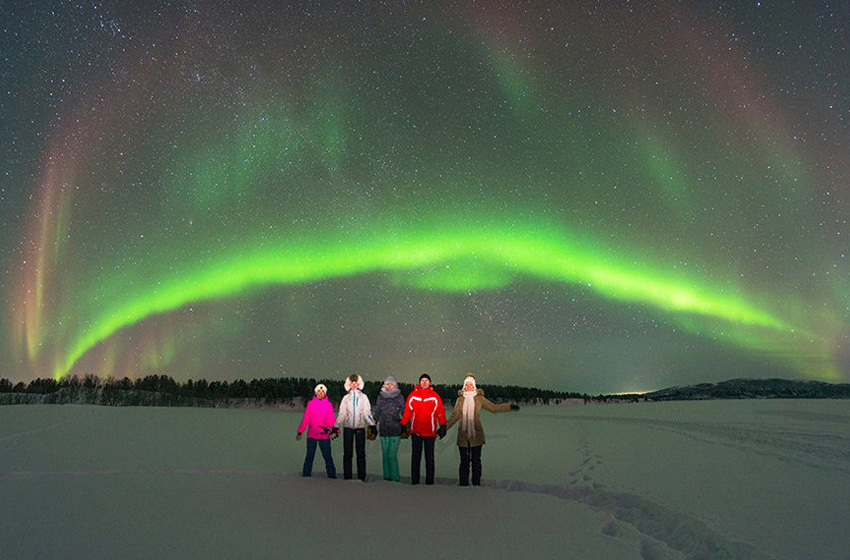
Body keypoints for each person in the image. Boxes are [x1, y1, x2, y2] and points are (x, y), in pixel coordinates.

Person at [446, 374, 519, 486]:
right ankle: (463, 485)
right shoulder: (460, 400)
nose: (469, 386)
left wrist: (509, 406)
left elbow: (493, 408)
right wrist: (444, 428)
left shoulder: (479, 398)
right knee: (464, 463)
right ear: (464, 386)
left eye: (471, 384)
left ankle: (476, 484)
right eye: (467, 384)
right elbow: (455, 416)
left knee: (476, 462)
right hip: (463, 436)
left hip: (476, 435)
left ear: (474, 386)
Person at [401, 373, 446, 485]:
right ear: (419, 382)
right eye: (422, 380)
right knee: (415, 458)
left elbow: (440, 412)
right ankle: (415, 482)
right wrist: (403, 424)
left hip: (430, 433)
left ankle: (429, 482)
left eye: (426, 380)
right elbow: (407, 411)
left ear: (429, 382)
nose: (424, 382)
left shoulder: (435, 396)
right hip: (416, 432)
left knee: (429, 459)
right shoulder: (413, 395)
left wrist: (443, 425)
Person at [334, 374, 375, 480]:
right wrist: (336, 425)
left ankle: (361, 477)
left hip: (360, 428)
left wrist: (372, 424)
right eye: (352, 383)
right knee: (347, 454)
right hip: (348, 428)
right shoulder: (346, 398)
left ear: (359, 384)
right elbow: (342, 413)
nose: (354, 385)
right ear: (349, 384)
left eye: (356, 383)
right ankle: (347, 476)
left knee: (361, 454)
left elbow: (367, 412)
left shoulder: (363, 397)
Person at [296, 383, 337, 478]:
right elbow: (306, 419)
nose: (320, 393)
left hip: (324, 436)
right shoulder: (310, 404)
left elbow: (331, 419)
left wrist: (336, 431)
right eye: (319, 391)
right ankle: (306, 476)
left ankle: (332, 477)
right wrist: (300, 431)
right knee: (309, 457)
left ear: (325, 393)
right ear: (316, 392)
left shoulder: (328, 404)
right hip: (312, 436)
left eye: (322, 392)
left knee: (328, 457)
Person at [372, 375, 406, 481]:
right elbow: (377, 412)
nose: (389, 386)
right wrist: (373, 424)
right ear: (384, 385)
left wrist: (404, 423)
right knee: (385, 455)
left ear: (395, 385)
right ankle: (386, 477)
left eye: (391, 384)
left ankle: (395, 478)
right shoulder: (381, 397)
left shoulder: (399, 397)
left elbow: (404, 411)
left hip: (395, 430)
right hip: (383, 430)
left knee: (392, 455)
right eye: (387, 384)